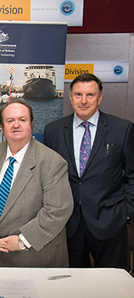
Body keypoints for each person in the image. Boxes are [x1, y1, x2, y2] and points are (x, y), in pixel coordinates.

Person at [0, 99, 73, 267]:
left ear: (31, 123)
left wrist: (23, 240)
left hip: (32, 258)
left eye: (22, 120)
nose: (16, 125)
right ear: (2, 126)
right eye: (10, 121)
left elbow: (57, 211)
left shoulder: (52, 161)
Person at [44, 73, 134, 269]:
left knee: (112, 285)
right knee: (72, 286)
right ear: (70, 97)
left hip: (110, 221)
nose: (83, 101)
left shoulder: (122, 129)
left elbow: (132, 175)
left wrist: (126, 211)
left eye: (90, 95)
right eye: (78, 95)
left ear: (100, 97)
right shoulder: (54, 130)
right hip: (68, 224)